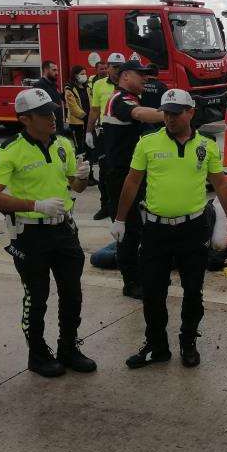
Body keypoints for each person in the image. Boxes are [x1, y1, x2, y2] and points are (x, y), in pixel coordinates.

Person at [114, 89, 227, 369]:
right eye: (166, 113)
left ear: (190, 112)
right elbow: (132, 182)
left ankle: (188, 341)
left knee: (193, 290)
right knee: (153, 291)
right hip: (156, 231)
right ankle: (156, 346)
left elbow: (220, 183)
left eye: (176, 113)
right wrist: (120, 219)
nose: (169, 118)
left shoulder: (206, 145)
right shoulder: (147, 143)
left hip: (193, 229)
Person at [0, 88, 96, 378]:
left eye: (53, 112)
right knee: (37, 296)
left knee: (72, 293)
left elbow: (75, 187)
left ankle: (68, 347)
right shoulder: (11, 150)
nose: (52, 118)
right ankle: (37, 354)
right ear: (25, 119)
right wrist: (35, 205)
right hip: (31, 234)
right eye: (44, 114)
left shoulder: (63, 144)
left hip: (64, 229)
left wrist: (82, 178)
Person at [100, 60, 165, 299]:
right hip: (120, 175)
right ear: (125, 76)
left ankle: (140, 273)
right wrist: (170, 113)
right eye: (141, 75)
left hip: (132, 172)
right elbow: (139, 114)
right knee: (128, 229)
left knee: (138, 226)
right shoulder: (120, 99)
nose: (145, 79)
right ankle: (131, 283)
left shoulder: (131, 97)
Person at [86, 52, 125, 220]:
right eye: (114, 67)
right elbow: (95, 109)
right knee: (104, 171)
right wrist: (88, 131)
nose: (117, 70)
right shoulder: (99, 84)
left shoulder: (129, 83)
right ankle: (105, 206)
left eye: (120, 67)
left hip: (123, 132)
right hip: (105, 133)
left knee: (122, 171)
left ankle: (121, 206)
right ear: (107, 67)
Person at [33, 60, 67, 133]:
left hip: (58, 125)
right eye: (54, 70)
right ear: (46, 70)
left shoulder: (53, 85)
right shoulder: (39, 86)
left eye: (57, 70)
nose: (57, 73)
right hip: (48, 126)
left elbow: (59, 99)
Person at [63, 66, 89, 158]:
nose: (84, 76)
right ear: (75, 75)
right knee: (79, 145)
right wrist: (84, 116)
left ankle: (89, 162)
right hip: (77, 122)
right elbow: (73, 107)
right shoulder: (69, 89)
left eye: (85, 74)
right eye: (82, 74)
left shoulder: (87, 87)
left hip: (88, 120)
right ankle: (79, 161)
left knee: (88, 144)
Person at [139, 66, 168, 134]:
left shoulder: (140, 85)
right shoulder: (162, 86)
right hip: (158, 120)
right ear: (157, 73)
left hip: (143, 119)